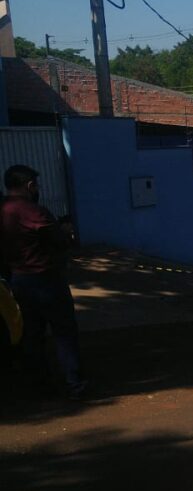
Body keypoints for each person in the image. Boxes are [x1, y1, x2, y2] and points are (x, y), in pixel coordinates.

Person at [0, 164, 88, 400]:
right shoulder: (35, 212)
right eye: (35, 185)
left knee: (31, 335)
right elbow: (60, 242)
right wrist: (66, 231)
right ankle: (74, 385)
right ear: (29, 186)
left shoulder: (3, 210)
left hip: (18, 281)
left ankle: (41, 387)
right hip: (47, 280)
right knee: (64, 333)